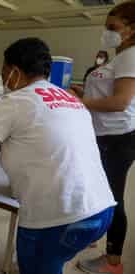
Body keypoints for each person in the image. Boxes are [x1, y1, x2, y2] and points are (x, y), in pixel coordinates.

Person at [0, 38, 116, 274]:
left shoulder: (16, 101)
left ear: (15, 72)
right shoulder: (69, 98)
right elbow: (40, 142)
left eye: (3, 72)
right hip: (100, 209)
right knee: (53, 262)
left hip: (58, 218)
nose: (3, 79)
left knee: (37, 265)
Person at [74, 2, 135, 274]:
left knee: (112, 197)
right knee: (97, 190)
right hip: (104, 135)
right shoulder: (118, 55)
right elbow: (106, 91)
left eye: (113, 28)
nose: (107, 33)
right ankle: (93, 234)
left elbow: (120, 102)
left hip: (118, 137)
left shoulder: (131, 55)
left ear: (132, 30)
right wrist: (81, 90)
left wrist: (82, 101)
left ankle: (112, 263)